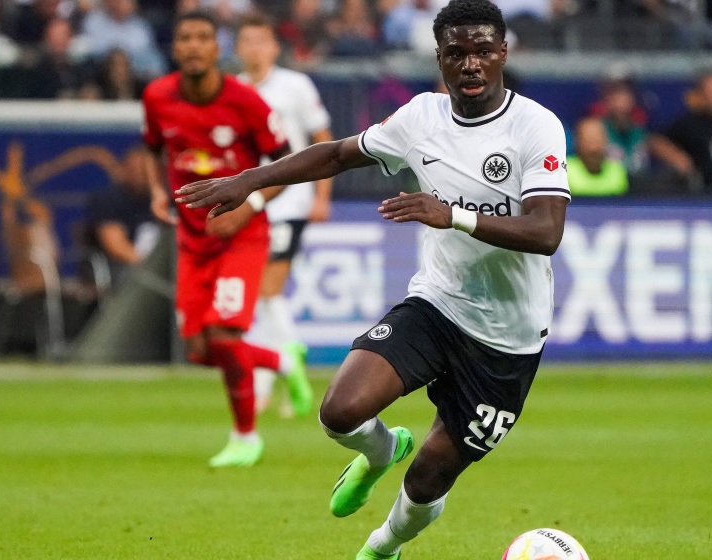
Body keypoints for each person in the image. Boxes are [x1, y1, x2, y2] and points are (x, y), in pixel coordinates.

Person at [175, 1, 570, 557]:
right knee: (339, 412)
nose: (471, 64)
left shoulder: (535, 126)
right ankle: (382, 451)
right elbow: (337, 155)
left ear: (503, 53)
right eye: (456, 53)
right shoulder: (420, 119)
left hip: (508, 337)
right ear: (439, 59)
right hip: (438, 305)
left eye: (483, 51)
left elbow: (546, 230)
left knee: (429, 477)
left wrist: (451, 215)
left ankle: (382, 548)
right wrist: (249, 180)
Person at [141, 10, 310, 468]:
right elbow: (152, 148)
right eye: (185, 38)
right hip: (192, 240)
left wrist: (249, 206)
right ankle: (281, 362)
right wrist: (158, 192)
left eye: (203, 37)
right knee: (200, 351)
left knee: (224, 334)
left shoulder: (246, 102)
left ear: (217, 48)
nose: (194, 45)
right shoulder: (157, 96)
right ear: (175, 48)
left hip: (242, 236)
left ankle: (245, 437)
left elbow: (286, 166)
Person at [234, 13, 332, 416]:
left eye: (262, 40)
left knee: (266, 290)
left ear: (274, 47)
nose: (255, 48)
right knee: (258, 297)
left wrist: (322, 195)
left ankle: (285, 362)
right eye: (247, 41)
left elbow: (323, 140)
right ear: (237, 48)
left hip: (288, 198)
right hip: (247, 204)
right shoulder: (233, 90)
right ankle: (276, 375)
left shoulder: (295, 86)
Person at [85, 145, 160, 284]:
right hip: (120, 268)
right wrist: (151, 264)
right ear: (125, 169)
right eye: (136, 170)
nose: (140, 175)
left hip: (157, 265)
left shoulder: (163, 199)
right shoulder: (109, 199)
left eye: (145, 171)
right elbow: (115, 246)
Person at [567, 117, 629, 196]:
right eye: (588, 141)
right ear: (577, 142)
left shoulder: (617, 170)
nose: (594, 149)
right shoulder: (565, 169)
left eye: (597, 141)